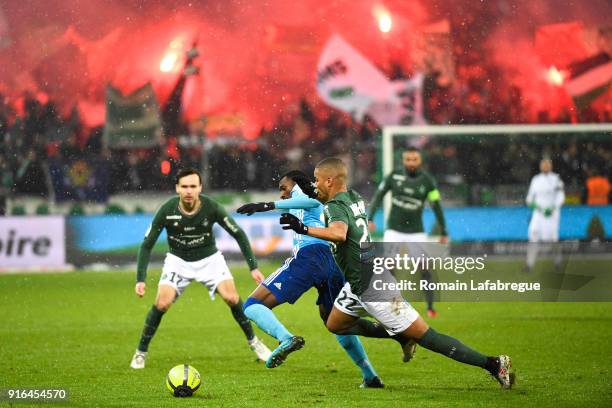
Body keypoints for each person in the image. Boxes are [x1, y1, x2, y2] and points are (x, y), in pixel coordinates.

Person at [280, 158, 514, 389]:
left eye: (317, 179)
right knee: (335, 323)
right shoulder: (353, 197)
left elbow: (339, 233)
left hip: (373, 287)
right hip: (358, 282)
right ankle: (401, 336)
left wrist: (304, 228)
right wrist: (309, 188)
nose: (315, 184)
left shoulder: (334, 207)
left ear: (329, 180)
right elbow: (325, 199)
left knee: (427, 336)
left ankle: (493, 364)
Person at [236, 170, 386, 388]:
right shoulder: (312, 203)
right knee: (336, 324)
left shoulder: (312, 200)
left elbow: (307, 199)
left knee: (252, 304)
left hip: (310, 258)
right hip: (331, 263)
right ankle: (374, 369)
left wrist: (266, 205)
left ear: (296, 186)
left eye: (284, 188)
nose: (282, 195)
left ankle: (286, 338)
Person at [130, 168, 271, 369]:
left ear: (200, 188)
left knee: (232, 298)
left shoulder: (211, 207)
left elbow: (238, 233)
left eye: (193, 186)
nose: (189, 191)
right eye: (185, 186)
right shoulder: (167, 210)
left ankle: (255, 343)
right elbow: (146, 244)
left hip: (210, 260)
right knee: (162, 303)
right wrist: (140, 279)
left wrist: (253, 267)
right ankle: (140, 352)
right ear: (177, 188)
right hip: (178, 261)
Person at [368, 146, 448, 317]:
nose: (411, 163)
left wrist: (444, 230)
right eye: (408, 159)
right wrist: (370, 218)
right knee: (389, 268)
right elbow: (378, 196)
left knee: (425, 268)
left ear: (420, 161)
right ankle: (393, 304)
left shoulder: (427, 181)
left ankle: (430, 306)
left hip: (416, 231)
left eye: (414, 159)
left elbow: (436, 206)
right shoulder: (394, 176)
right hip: (394, 229)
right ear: (403, 161)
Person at [525, 159, 565, 272]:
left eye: (547, 165)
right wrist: (533, 205)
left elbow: (561, 197)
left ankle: (557, 263)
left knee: (553, 239)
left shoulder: (556, 179)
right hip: (538, 213)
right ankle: (529, 264)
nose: (545, 167)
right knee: (533, 235)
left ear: (551, 166)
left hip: (552, 214)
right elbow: (529, 198)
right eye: (543, 165)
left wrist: (553, 208)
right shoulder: (536, 180)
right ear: (540, 166)